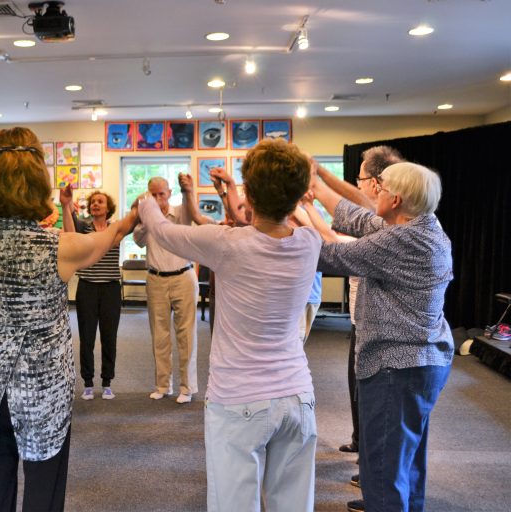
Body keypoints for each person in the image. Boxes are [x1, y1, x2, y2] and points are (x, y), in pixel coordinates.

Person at [136, 138, 320, 511]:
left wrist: (145, 205)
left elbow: (164, 231)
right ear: (300, 196)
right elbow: (267, 225)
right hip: (298, 399)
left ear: (249, 195)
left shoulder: (228, 244)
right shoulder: (310, 241)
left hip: (239, 402)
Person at [0, 127, 137, 512]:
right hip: (44, 389)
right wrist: (132, 218)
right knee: (44, 493)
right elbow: (110, 237)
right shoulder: (60, 246)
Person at [314, 162, 453, 512]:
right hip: (419, 363)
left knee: (381, 470)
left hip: (397, 367)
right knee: (407, 463)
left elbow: (331, 255)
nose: (374, 189)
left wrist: (276, 228)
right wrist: (312, 186)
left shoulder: (401, 240)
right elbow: (356, 218)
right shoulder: (422, 224)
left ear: (397, 198)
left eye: (381, 185)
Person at [314, 146, 404, 454]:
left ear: (382, 186)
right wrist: (316, 183)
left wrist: (314, 189)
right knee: (361, 392)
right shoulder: (394, 225)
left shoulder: (397, 235)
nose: (362, 186)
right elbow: (354, 213)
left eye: (362, 178)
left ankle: (374, 474)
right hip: (367, 323)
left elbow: (332, 248)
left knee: (379, 409)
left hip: (387, 339)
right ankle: (363, 449)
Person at [133, 176, 198, 403]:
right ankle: (163, 385)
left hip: (183, 277)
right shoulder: (147, 219)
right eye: (153, 194)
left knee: (186, 334)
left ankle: (187, 388)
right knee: (159, 335)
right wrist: (146, 216)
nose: (158, 198)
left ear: (170, 193)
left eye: (162, 193)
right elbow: (138, 240)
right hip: (156, 279)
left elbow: (193, 214)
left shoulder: (180, 213)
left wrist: (188, 190)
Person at [60, 187, 126, 400]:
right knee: (87, 337)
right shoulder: (83, 227)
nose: (96, 204)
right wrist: (66, 204)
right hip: (87, 287)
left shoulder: (114, 229)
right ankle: (88, 382)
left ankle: (107, 382)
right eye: (93, 202)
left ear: (108, 208)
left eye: (100, 201)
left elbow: (134, 226)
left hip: (111, 289)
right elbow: (69, 233)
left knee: (109, 337)